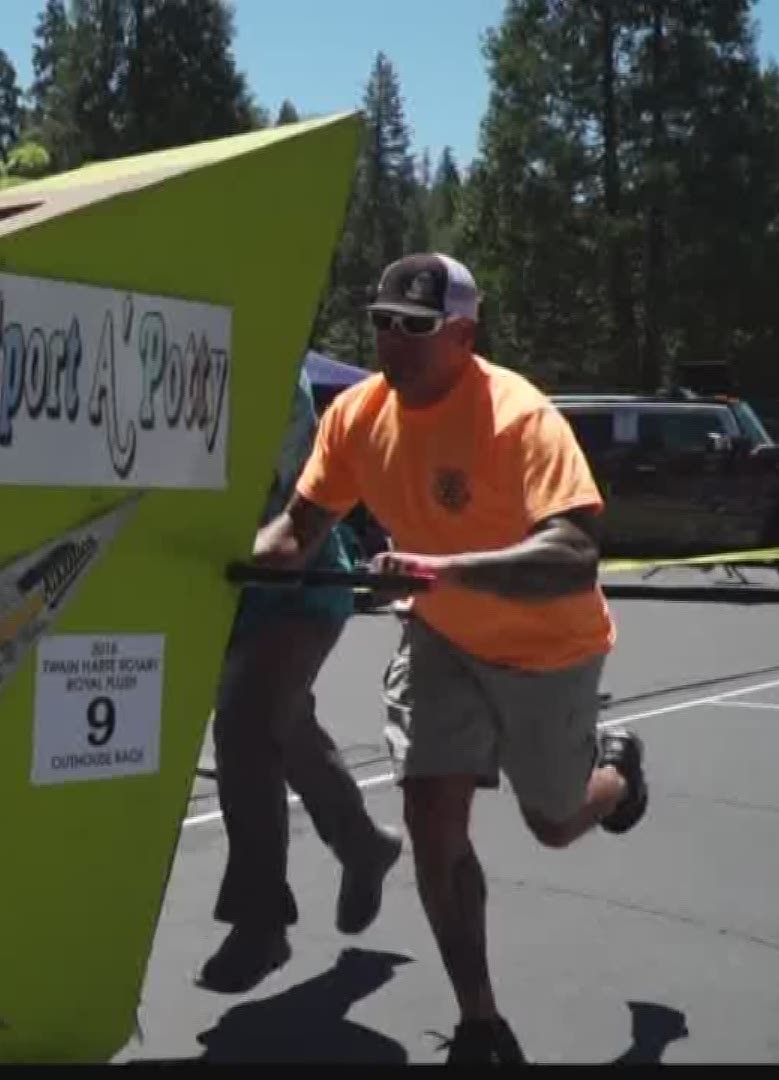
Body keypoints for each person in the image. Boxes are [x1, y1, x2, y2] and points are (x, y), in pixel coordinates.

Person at [253, 254, 649, 1063]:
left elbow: (574, 553)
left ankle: (618, 773)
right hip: (440, 638)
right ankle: (480, 1022)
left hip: (547, 648)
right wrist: (215, 561)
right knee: (432, 826)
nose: (392, 342)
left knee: (552, 822)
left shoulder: (519, 417)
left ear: (464, 334)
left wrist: (443, 569)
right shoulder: (358, 416)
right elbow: (297, 530)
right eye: (382, 323)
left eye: (416, 328)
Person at [198, 362, 404, 994]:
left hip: (299, 587)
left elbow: (296, 527)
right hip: (214, 590)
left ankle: (260, 920)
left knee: (246, 725)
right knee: (285, 729)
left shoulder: (273, 376)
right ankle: (365, 843)